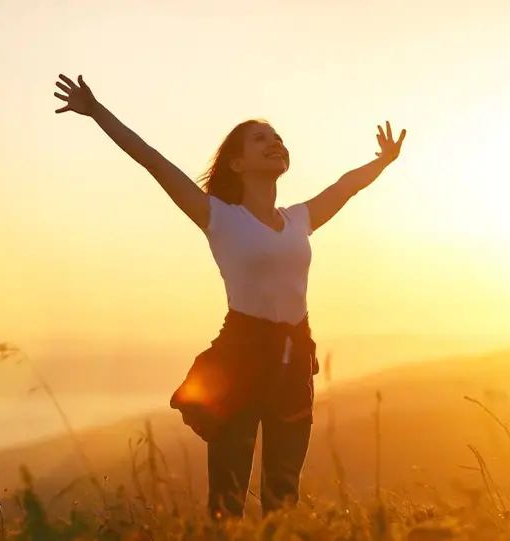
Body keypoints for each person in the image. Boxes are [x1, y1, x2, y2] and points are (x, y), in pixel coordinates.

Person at [53, 73, 406, 519]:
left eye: (277, 138)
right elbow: (153, 161)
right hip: (239, 359)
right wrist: (97, 111)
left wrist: (384, 161)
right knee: (228, 498)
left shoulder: (300, 219)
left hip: (295, 361)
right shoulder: (217, 215)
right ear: (236, 164)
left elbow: (345, 186)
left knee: (283, 495)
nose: (274, 143)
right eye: (260, 139)